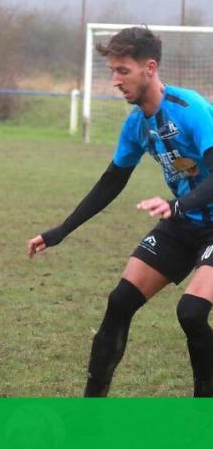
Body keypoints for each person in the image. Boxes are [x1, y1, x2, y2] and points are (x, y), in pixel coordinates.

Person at [28, 26, 213, 397]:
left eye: (122, 70)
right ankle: (91, 410)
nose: (115, 80)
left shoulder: (191, 109)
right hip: (182, 222)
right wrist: (61, 231)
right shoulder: (136, 125)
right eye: (112, 71)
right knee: (120, 301)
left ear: (149, 67)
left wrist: (176, 204)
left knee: (191, 313)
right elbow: (112, 181)